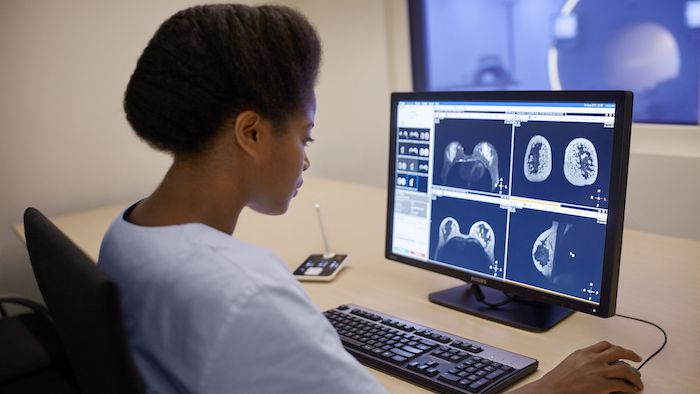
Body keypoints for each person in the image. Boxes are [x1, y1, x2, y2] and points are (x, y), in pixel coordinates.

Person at [98, 4, 644, 394]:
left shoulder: (127, 232)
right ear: (252, 132)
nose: (306, 157)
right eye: (304, 134)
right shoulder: (248, 293)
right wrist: (551, 388)